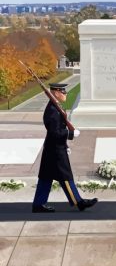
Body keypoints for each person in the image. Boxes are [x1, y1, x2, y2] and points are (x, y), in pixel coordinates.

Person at [32, 83, 98, 213]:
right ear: (55, 93)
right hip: (56, 151)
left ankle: (38, 204)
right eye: (63, 92)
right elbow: (55, 132)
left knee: (46, 177)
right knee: (66, 177)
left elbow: (57, 131)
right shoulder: (52, 111)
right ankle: (79, 202)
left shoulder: (55, 107)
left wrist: (65, 144)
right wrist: (70, 133)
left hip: (53, 148)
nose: (66, 94)